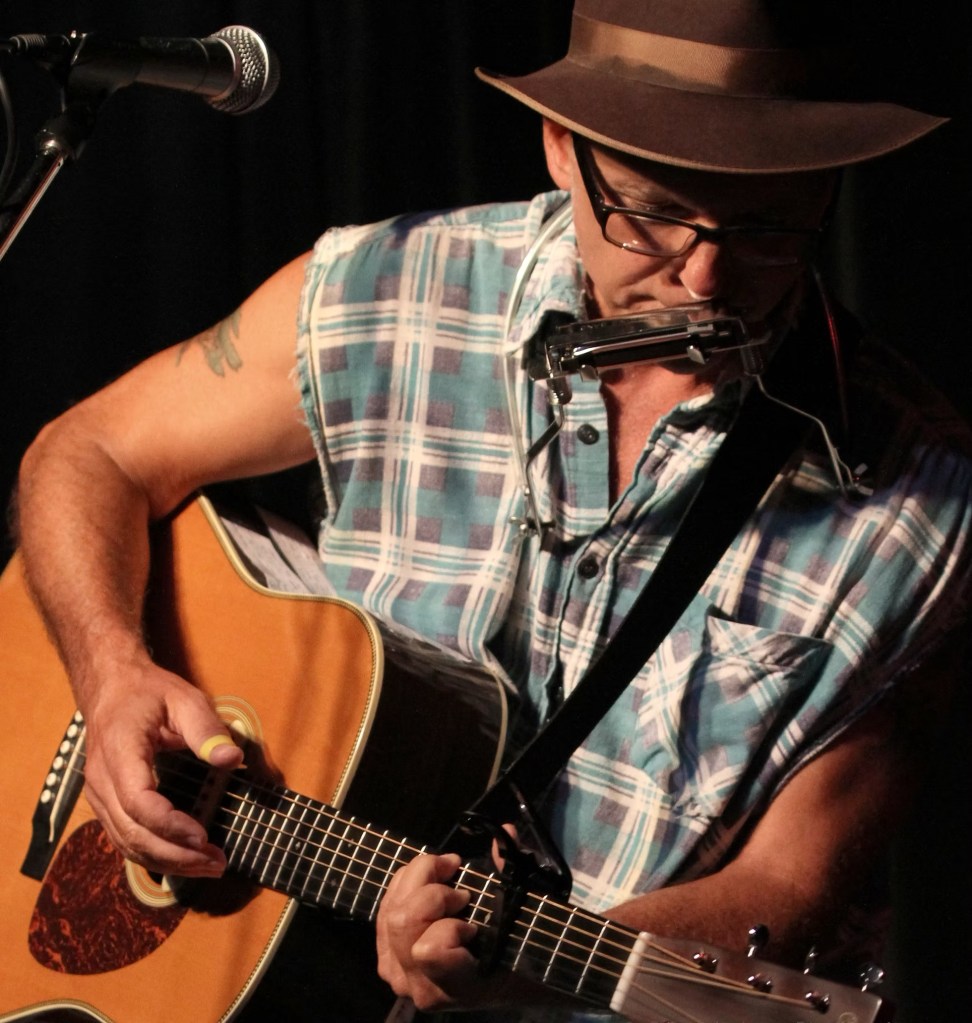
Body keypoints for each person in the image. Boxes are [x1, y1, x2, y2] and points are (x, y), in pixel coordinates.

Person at [13, 1, 972, 1020]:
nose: (706, 276)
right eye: (651, 214)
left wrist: (516, 971)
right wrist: (112, 679)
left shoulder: (924, 497)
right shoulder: (391, 290)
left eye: (766, 225)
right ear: (561, 147)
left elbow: (793, 886)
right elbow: (87, 452)